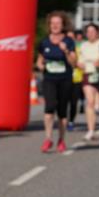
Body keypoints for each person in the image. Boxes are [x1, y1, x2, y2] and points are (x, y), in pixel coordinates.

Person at [35, 12, 77, 153]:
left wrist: (65, 51)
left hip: (65, 79)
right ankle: (48, 138)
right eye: (52, 23)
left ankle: (61, 139)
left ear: (63, 25)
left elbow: (74, 63)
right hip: (49, 79)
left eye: (58, 23)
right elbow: (39, 60)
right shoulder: (44, 42)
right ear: (49, 25)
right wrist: (40, 65)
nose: (55, 26)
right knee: (49, 107)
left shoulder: (69, 41)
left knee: (62, 112)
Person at [77, 23, 99, 140]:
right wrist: (79, 64)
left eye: (93, 31)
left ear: (97, 33)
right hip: (87, 73)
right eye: (88, 32)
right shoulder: (83, 45)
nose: (90, 34)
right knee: (90, 102)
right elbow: (80, 59)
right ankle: (91, 130)